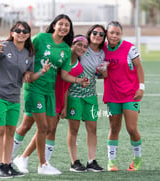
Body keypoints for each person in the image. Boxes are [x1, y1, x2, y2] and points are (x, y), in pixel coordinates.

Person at [13, 14, 89, 175]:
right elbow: (27, 53)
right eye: (60, 24)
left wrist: (78, 80)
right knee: (43, 127)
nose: (63, 27)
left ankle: (23, 159)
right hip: (35, 87)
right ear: (54, 25)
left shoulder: (65, 50)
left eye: (67, 25)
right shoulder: (41, 38)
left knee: (45, 128)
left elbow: (64, 75)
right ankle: (41, 164)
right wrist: (26, 70)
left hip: (50, 91)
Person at [0, 21, 51, 178]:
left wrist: (41, 72)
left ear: (28, 34)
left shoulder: (29, 53)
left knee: (11, 132)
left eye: (25, 30)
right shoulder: (4, 46)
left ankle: (7, 165)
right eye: (18, 30)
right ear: (12, 32)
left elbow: (29, 77)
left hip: (14, 97)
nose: (21, 33)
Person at [102, 21, 145, 172]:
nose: (114, 36)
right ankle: (111, 162)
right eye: (111, 32)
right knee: (114, 128)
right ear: (107, 33)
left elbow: (139, 67)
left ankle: (137, 159)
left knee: (131, 128)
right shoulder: (102, 50)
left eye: (117, 33)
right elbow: (102, 73)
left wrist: (141, 87)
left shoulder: (129, 48)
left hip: (130, 94)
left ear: (121, 34)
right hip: (112, 95)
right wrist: (102, 73)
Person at [66, 24, 107, 173]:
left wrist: (103, 73)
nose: (97, 35)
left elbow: (100, 75)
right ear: (90, 34)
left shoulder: (103, 54)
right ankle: (74, 162)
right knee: (74, 129)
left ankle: (91, 161)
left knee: (93, 128)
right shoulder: (82, 47)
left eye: (101, 34)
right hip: (73, 95)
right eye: (95, 32)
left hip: (90, 95)